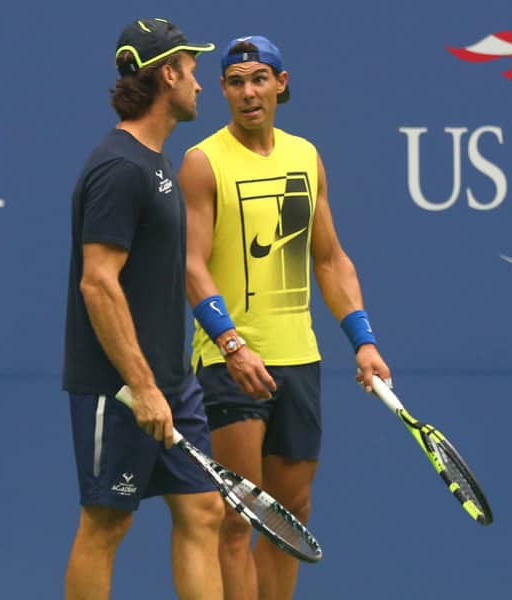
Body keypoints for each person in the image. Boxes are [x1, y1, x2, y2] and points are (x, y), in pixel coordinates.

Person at [178, 35, 392, 600]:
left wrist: (363, 341)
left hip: (300, 359)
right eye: (235, 82)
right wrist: (230, 344)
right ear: (223, 90)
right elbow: (192, 267)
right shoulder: (202, 163)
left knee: (291, 513)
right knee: (241, 515)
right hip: (231, 362)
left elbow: (329, 258)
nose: (248, 93)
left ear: (281, 83)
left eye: (258, 79)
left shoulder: (306, 156)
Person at [62, 18, 224, 600]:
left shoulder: (155, 164)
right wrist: (143, 384)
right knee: (107, 524)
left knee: (203, 510)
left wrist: (166, 382)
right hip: (121, 387)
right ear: (168, 73)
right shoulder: (119, 167)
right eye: (193, 70)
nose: (201, 84)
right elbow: (98, 284)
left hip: (171, 382)